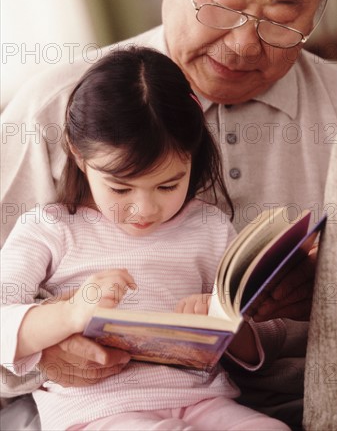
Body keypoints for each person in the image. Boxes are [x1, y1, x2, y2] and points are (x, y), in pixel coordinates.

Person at [0, 0, 337, 428]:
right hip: (94, 408)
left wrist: (331, 294)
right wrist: (44, 348)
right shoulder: (57, 110)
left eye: (283, 17)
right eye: (223, 4)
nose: (243, 43)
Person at [1, 47, 290, 431]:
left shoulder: (209, 228)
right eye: (121, 189)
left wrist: (225, 325)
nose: (145, 209)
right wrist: (69, 314)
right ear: (78, 153)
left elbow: (261, 345)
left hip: (203, 400)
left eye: (168, 185)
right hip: (98, 413)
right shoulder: (50, 228)